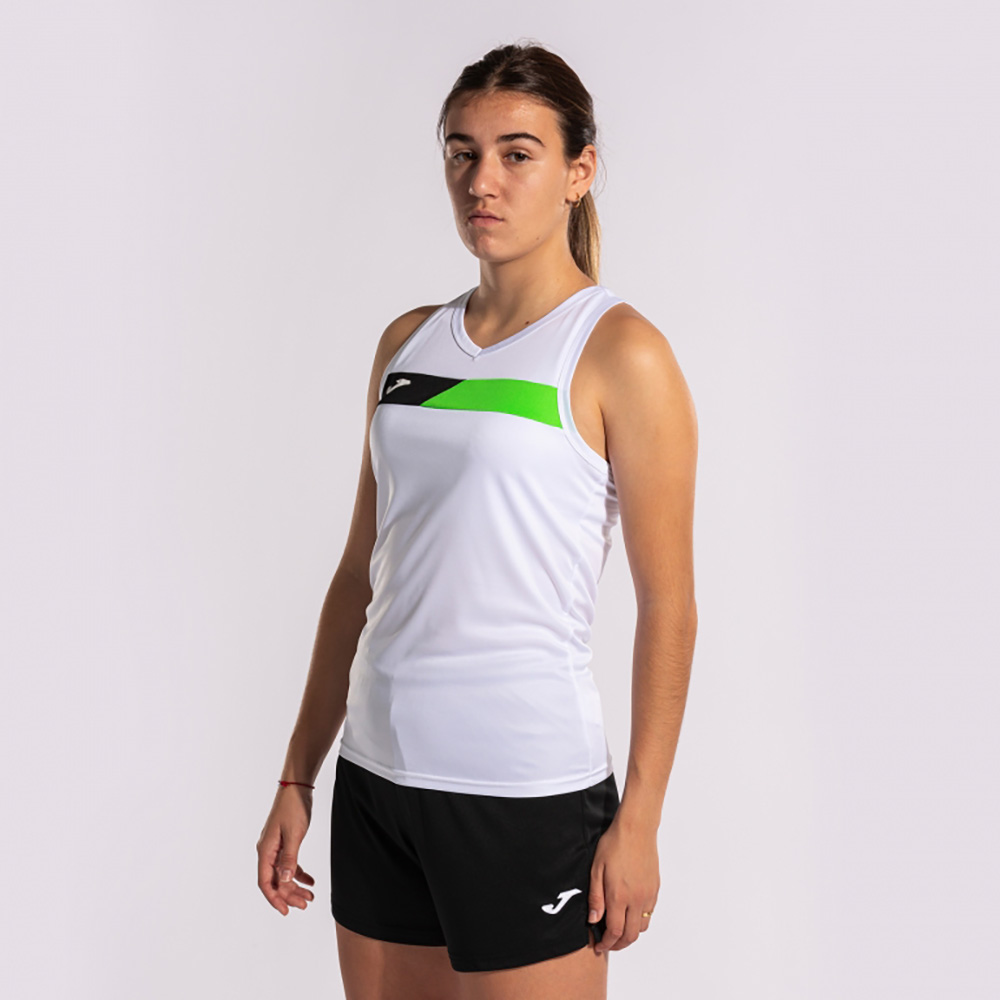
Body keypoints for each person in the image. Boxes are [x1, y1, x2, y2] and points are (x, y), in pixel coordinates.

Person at [256, 41, 698, 1000]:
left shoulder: (620, 352)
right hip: (377, 781)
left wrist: (641, 820)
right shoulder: (407, 343)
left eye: (516, 154)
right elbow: (359, 574)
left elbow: (669, 608)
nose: (481, 181)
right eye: (461, 152)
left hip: (524, 795)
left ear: (579, 170)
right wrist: (299, 773)